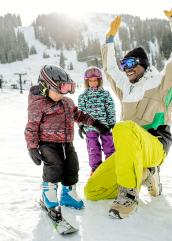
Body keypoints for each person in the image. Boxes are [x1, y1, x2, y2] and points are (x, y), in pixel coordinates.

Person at [84, 0, 172, 219]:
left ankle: (129, 195)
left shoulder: (161, 83)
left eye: (131, 63)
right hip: (129, 149)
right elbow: (110, 68)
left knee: (123, 127)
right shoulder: (126, 88)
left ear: (143, 63)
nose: (126, 69)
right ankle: (145, 174)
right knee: (92, 190)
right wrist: (109, 41)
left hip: (155, 145)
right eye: (124, 66)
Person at [25, 65, 109, 220]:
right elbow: (31, 127)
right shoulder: (39, 105)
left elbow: (80, 115)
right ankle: (48, 197)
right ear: (45, 86)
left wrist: (96, 123)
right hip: (48, 144)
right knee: (54, 167)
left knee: (72, 167)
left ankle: (68, 195)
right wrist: (32, 147)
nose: (62, 94)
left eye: (66, 89)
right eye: (59, 90)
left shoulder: (67, 102)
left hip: (67, 144)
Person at [77, 67, 116, 176]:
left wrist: (112, 122)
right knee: (93, 149)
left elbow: (110, 109)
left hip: (105, 127)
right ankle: (95, 169)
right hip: (90, 128)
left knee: (109, 146)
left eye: (95, 80)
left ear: (100, 81)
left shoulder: (105, 94)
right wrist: (81, 125)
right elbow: (81, 112)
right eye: (91, 81)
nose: (93, 82)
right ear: (87, 82)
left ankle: (110, 166)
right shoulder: (83, 97)